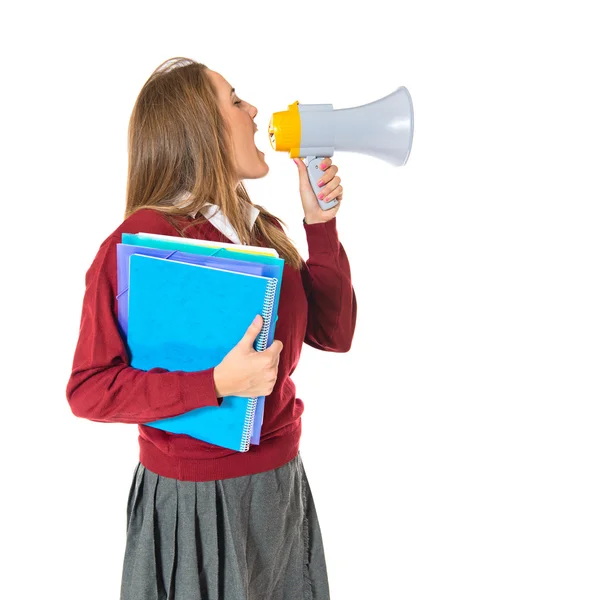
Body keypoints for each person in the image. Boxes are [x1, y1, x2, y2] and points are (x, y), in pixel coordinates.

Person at [66, 56, 357, 600]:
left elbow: (334, 334)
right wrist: (216, 383)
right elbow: (88, 389)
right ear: (199, 128)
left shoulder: (262, 226)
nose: (253, 112)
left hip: (280, 486)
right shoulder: (140, 241)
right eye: (235, 100)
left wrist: (320, 225)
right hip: (194, 500)